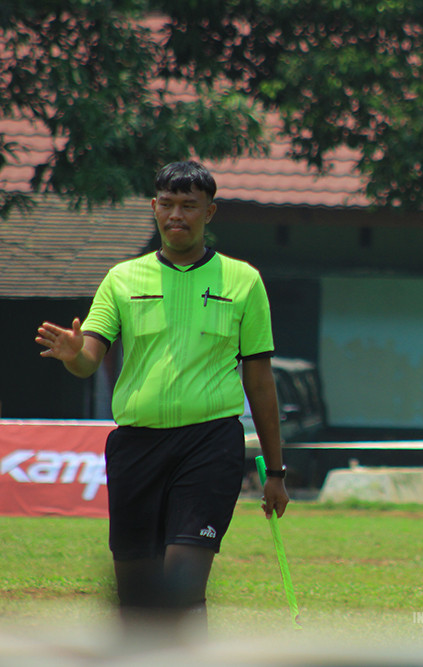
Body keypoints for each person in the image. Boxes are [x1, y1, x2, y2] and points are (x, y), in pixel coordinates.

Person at [34, 160, 288, 641]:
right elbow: (90, 358)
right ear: (154, 208)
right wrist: (72, 355)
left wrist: (274, 472)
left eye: (189, 206)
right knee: (135, 592)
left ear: (209, 212)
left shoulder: (244, 282)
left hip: (210, 444)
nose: (177, 215)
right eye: (167, 204)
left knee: (184, 580)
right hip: (135, 448)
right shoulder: (122, 279)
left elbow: (260, 383)